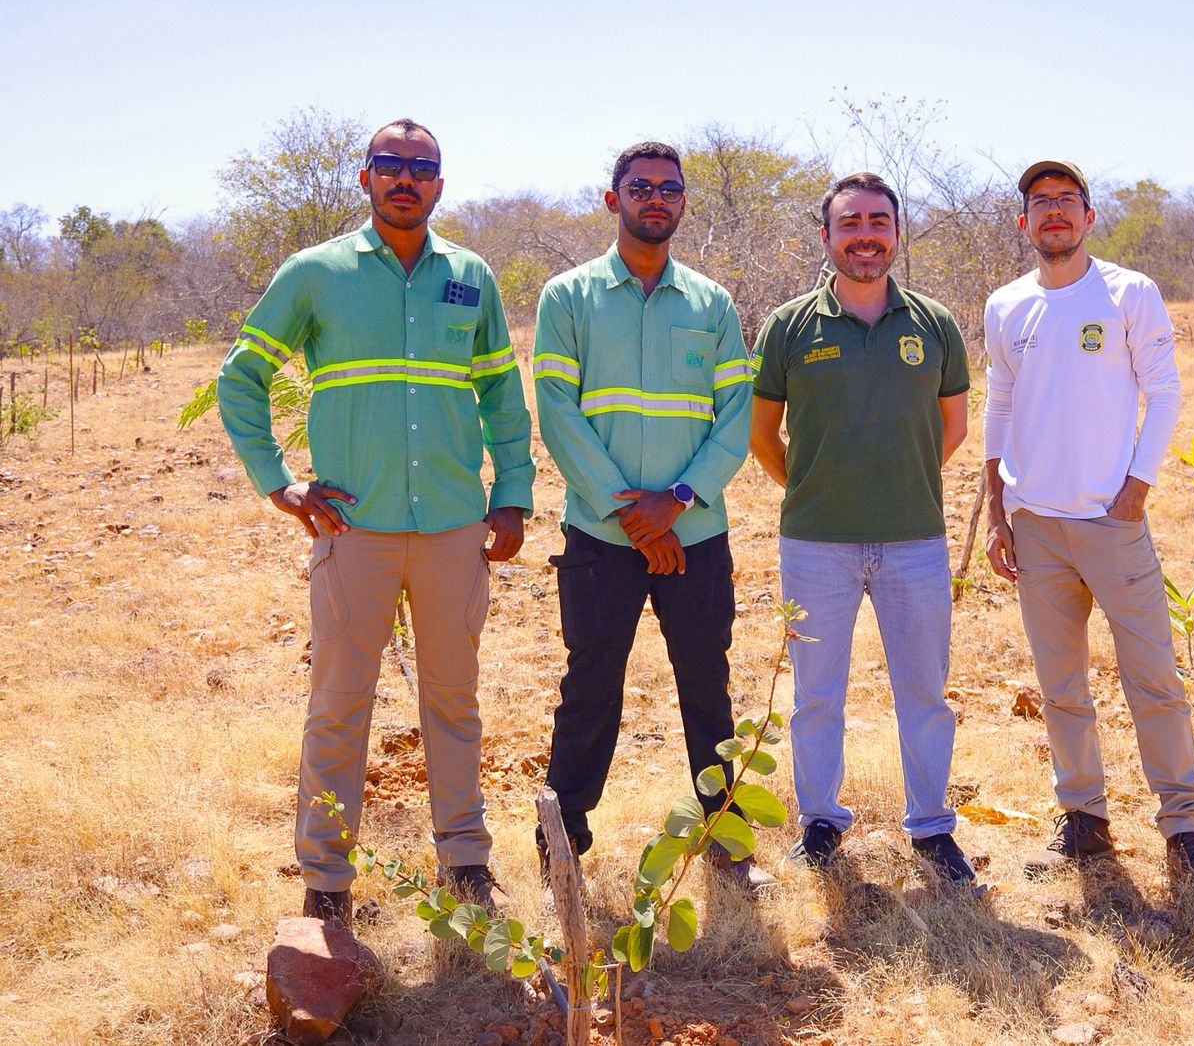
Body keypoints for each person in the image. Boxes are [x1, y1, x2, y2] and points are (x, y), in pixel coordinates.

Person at [216, 118, 534, 923]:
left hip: (456, 525)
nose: (405, 178)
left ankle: (465, 862)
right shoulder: (315, 273)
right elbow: (242, 376)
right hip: (351, 530)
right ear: (364, 179)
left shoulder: (470, 275)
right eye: (389, 165)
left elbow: (500, 394)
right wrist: (279, 485)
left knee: (454, 701)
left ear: (439, 183)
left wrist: (514, 493)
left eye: (421, 168)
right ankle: (325, 879)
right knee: (339, 703)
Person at [533, 142, 772, 890]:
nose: (656, 198)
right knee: (591, 685)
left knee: (707, 685)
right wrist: (630, 514)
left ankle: (727, 841)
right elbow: (560, 414)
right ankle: (561, 842)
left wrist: (677, 504)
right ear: (613, 200)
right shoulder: (567, 298)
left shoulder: (712, 304)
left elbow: (735, 417)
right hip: (601, 537)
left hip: (695, 532)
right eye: (640, 187)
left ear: (683, 202)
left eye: (670, 188)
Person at [983, 159, 1194, 883]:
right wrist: (998, 509)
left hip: (1111, 521)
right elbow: (1000, 404)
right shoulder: (1006, 306)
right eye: (1039, 202)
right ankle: (1084, 817)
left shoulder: (1128, 292)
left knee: (1152, 677)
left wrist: (1137, 488)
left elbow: (1165, 390)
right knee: (1061, 686)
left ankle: (1184, 825)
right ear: (1023, 222)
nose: (1052, 212)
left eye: (1067, 201)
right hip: (1036, 523)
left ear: (1090, 218)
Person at [750, 172, 975, 886]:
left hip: (915, 540)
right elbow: (763, 437)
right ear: (827, 236)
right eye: (850, 223)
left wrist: (896, 481)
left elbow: (955, 423)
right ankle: (820, 822)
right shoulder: (788, 326)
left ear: (897, 233)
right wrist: (820, 488)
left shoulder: (934, 323)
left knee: (925, 692)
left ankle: (932, 828)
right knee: (817, 693)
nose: (865, 234)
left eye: (879, 220)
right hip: (816, 544)